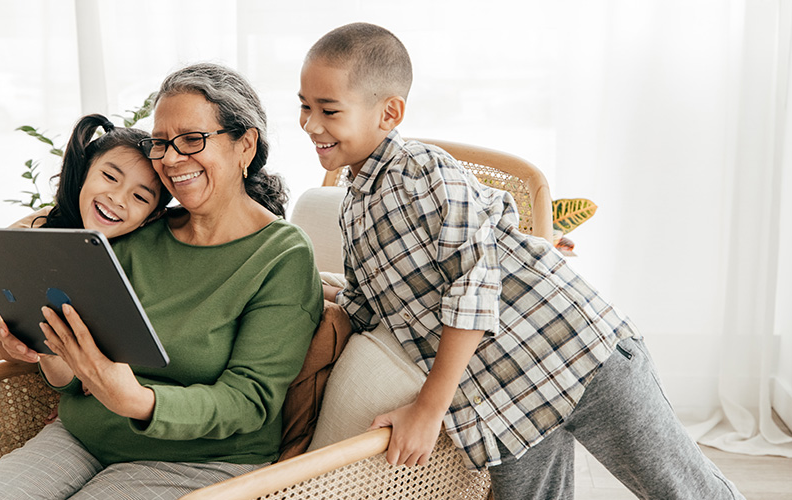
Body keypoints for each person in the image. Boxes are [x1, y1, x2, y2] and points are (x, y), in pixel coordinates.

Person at [298, 22, 744, 500]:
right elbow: (373, 307)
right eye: (304, 106)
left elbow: (473, 284)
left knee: (688, 492)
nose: (310, 124)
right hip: (505, 406)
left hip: (580, 356)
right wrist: (305, 287)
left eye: (329, 110)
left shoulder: (423, 170)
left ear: (389, 113)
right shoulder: (353, 208)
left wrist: (428, 409)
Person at [0, 63, 323, 499]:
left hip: (199, 460)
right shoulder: (138, 229)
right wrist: (44, 344)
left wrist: (136, 400)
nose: (171, 159)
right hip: (80, 438)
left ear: (246, 145)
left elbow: (249, 400)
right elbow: (72, 377)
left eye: (192, 139)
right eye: (161, 143)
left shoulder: (281, 255)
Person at [0, 113, 173, 364]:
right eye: (110, 177)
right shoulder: (42, 225)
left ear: (152, 216)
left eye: (140, 197)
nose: (117, 199)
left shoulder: (142, 255)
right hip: (21, 378)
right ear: (84, 170)